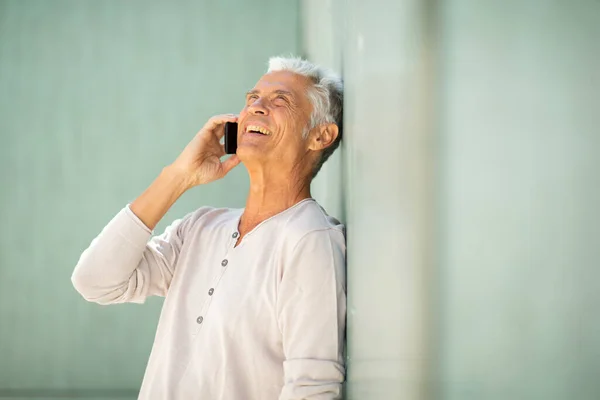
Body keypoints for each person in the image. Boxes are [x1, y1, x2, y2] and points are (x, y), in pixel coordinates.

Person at [71, 56, 346, 399]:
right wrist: (178, 177)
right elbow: (95, 282)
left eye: (280, 101)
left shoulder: (310, 239)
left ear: (320, 135)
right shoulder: (201, 227)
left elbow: (312, 388)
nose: (256, 108)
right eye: (251, 99)